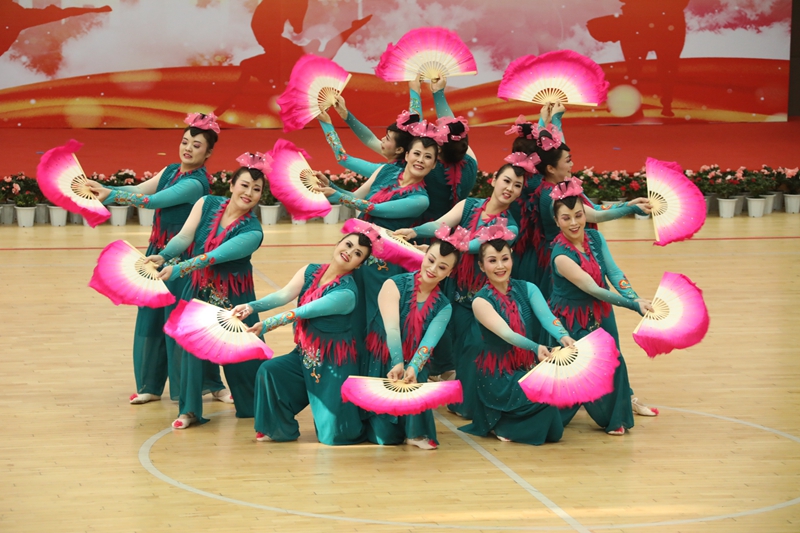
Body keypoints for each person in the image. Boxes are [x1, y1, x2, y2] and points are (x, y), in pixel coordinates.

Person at [89, 112, 228, 405]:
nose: (188, 148)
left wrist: (109, 195)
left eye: (196, 145)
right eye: (185, 141)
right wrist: (105, 191)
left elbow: (152, 201)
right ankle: (150, 386)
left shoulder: (196, 183)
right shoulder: (170, 171)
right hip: (156, 255)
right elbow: (139, 190)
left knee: (182, 323)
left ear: (208, 153)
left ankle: (205, 385)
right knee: (150, 319)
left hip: (181, 261)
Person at [395, 162, 524, 417]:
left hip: (483, 297)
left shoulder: (509, 228)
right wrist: (414, 231)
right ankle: (448, 383)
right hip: (453, 286)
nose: (510, 188)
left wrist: (439, 247)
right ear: (494, 179)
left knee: (474, 347)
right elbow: (440, 224)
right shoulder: (469, 205)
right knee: (450, 341)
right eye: (506, 180)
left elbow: (474, 246)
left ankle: (470, 402)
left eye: (517, 185)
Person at [147, 156, 267, 429]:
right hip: (200, 290)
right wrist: (164, 256)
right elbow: (185, 236)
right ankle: (189, 411)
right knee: (190, 349)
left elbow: (212, 257)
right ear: (232, 184)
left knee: (245, 362)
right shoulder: (207, 203)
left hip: (235, 299)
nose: (249, 193)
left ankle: (258, 403)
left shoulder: (253, 232)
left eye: (256, 189)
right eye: (244, 185)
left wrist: (178, 269)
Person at [236, 232, 375, 445]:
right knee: (270, 371)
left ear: (359, 264)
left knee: (333, 437)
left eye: (357, 253)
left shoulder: (346, 293)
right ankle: (278, 429)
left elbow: (303, 311)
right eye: (348, 244)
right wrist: (250, 306)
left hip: (333, 364)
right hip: (306, 355)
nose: (349, 252)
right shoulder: (310, 271)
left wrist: (267, 324)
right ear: (338, 243)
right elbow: (283, 295)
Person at [549, 179, 656, 435]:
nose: (574, 223)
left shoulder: (595, 237)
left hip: (601, 312)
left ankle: (613, 419)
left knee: (612, 361)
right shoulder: (561, 256)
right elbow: (593, 288)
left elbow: (613, 272)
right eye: (566, 218)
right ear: (556, 221)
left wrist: (635, 296)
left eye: (578, 215)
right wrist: (633, 305)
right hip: (572, 319)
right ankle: (548, 418)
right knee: (576, 372)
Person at [459, 235, 575, 445]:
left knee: (555, 431)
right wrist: (535, 347)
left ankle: (517, 422)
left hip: (524, 366)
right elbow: (508, 335)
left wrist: (563, 335)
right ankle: (503, 424)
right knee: (547, 398)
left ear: (512, 258)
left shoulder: (527, 288)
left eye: (505, 259)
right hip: (498, 375)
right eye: (492, 261)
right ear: (482, 266)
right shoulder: (481, 302)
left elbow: (548, 318)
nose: (500, 266)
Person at [526, 124, 651, 307]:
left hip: (579, 248)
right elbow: (595, 215)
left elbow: (594, 208)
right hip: (564, 257)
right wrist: (630, 210)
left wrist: (627, 204)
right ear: (551, 168)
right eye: (568, 161)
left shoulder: (563, 184)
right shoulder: (553, 196)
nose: (572, 164)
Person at [365, 229, 465, 449]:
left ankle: (415, 433)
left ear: (449, 273)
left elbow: (427, 344)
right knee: (386, 437)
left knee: (417, 376)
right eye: (431, 260)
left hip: (414, 362)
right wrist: (398, 362)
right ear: (424, 255)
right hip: (384, 357)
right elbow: (392, 330)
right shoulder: (394, 284)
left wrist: (413, 367)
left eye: (442, 267)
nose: (433, 269)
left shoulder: (444, 306)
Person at [317, 88, 422, 178]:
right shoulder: (409, 160)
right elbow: (369, 139)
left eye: (387, 138)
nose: (382, 139)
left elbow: (343, 158)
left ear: (399, 150)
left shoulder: (389, 172)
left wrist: (326, 124)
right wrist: (345, 114)